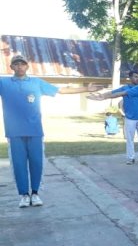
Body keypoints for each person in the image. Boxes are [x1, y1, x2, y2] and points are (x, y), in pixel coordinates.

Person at [0, 54, 99, 208]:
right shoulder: (4, 83)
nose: (20, 67)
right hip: (14, 132)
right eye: (16, 64)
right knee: (19, 164)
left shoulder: (36, 83)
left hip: (35, 130)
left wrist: (86, 88)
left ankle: (35, 193)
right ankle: (24, 195)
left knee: (37, 163)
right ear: (11, 67)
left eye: (22, 64)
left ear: (27, 66)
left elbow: (62, 90)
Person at [102, 70, 138, 164]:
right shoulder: (125, 88)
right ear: (130, 78)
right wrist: (101, 96)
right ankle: (130, 158)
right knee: (130, 139)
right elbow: (113, 92)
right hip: (130, 118)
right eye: (135, 76)